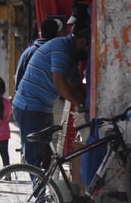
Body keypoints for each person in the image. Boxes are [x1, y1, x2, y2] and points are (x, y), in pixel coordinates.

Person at [13, 26, 91, 168]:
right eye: (88, 48)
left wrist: (87, 104)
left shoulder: (70, 55)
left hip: (42, 107)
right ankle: (37, 189)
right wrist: (80, 106)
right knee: (35, 159)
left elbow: (75, 85)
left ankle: (44, 187)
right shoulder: (61, 49)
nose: (87, 53)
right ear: (81, 41)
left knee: (46, 157)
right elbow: (59, 83)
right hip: (30, 107)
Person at [14, 18, 59, 91]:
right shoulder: (60, 54)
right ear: (57, 34)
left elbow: (18, 82)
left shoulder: (28, 53)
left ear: (40, 33)